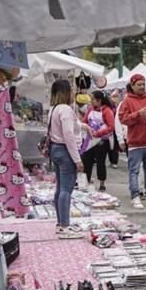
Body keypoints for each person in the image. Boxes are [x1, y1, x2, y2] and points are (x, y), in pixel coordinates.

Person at [48, 79, 85, 239]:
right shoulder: (66, 110)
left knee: (60, 188)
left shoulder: (54, 109)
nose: (73, 92)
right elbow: (68, 135)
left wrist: (84, 126)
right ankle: (65, 226)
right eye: (71, 90)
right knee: (66, 190)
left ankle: (61, 223)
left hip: (55, 149)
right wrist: (77, 159)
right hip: (65, 151)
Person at [118, 73, 146, 210]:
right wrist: (138, 114)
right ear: (132, 85)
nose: (142, 87)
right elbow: (123, 119)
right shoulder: (127, 101)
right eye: (139, 85)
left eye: (143, 84)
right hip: (135, 142)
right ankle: (135, 196)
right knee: (134, 170)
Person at [82, 91, 115, 192]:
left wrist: (100, 133)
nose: (91, 101)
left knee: (100, 162)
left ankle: (102, 183)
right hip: (90, 139)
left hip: (102, 140)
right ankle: (85, 181)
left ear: (99, 100)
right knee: (87, 161)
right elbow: (84, 121)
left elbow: (111, 126)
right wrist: (88, 128)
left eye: (93, 99)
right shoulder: (90, 109)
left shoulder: (107, 111)